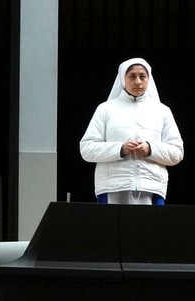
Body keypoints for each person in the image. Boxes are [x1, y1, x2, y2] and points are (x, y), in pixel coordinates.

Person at [79, 57, 184, 205]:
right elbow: (87, 149)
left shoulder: (162, 111)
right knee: (109, 227)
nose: (138, 82)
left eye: (142, 76)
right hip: (112, 187)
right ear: (123, 79)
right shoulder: (105, 109)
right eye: (132, 76)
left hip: (151, 187)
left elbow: (177, 152)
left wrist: (150, 149)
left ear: (149, 79)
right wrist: (120, 149)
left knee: (150, 228)